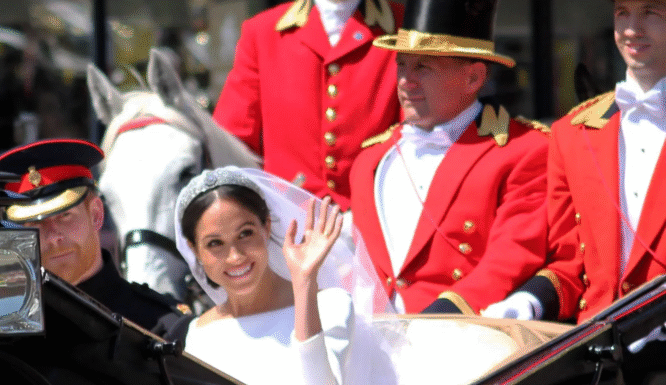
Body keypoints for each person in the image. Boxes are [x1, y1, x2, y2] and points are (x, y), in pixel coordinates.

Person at [348, 0, 551, 316]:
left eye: (423, 67)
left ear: (473, 78)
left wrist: (439, 317)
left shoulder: (523, 151)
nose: (405, 81)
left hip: (466, 336)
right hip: (375, 344)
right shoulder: (370, 160)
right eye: (402, 64)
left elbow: (512, 258)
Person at [0, 141, 191, 338]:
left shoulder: (159, 321)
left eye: (65, 217)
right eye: (34, 222)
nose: (53, 236)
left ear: (96, 215)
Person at [491, 0, 666, 323]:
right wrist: (529, 301)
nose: (630, 30)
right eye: (621, 13)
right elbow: (569, 264)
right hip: (600, 353)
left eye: (651, 13)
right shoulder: (570, 133)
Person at [174, 166, 399, 385]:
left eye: (245, 233)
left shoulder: (329, 304)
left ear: (267, 227)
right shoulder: (197, 335)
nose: (235, 256)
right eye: (215, 243)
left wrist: (304, 283)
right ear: (194, 250)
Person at [213, 0, 404, 209]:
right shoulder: (262, 32)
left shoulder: (404, 26)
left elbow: (417, 135)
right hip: (288, 220)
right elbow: (230, 142)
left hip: (378, 214)